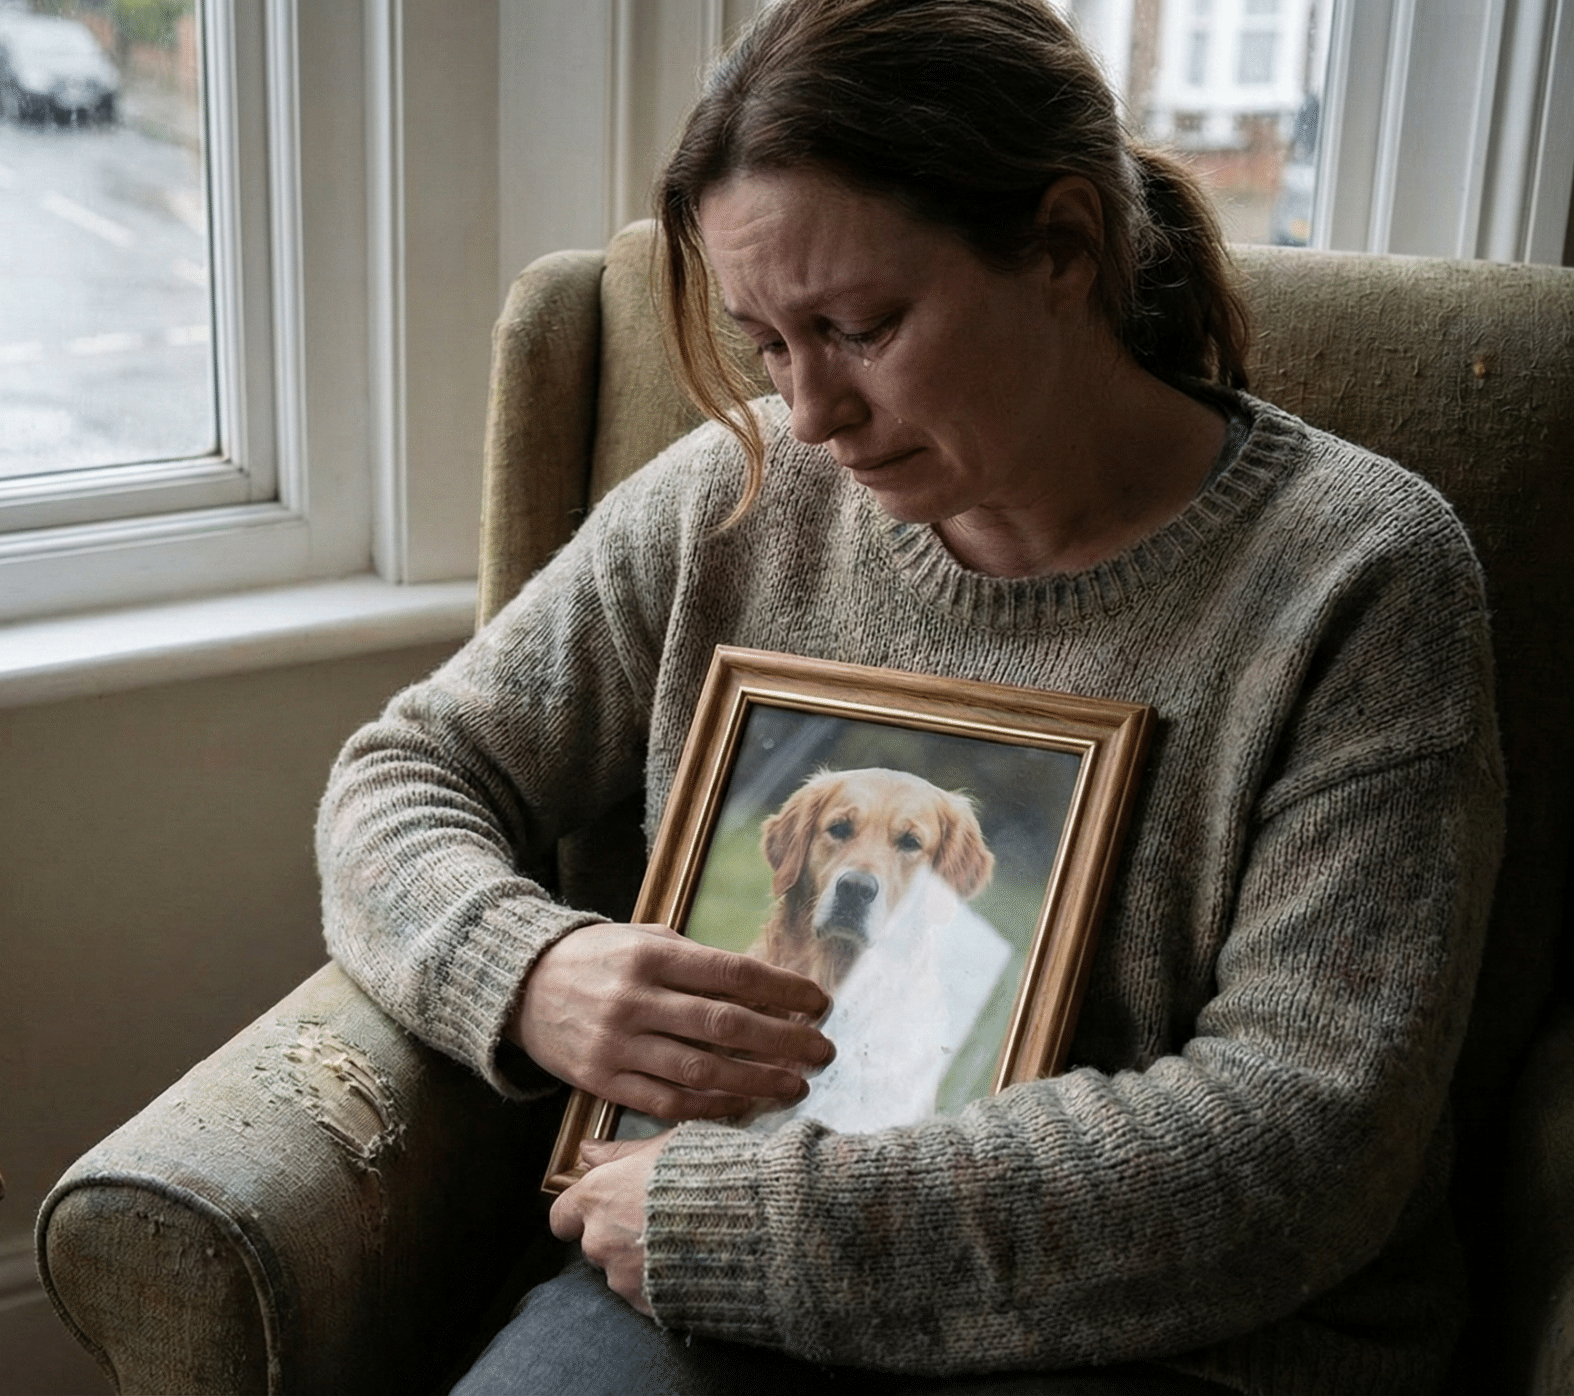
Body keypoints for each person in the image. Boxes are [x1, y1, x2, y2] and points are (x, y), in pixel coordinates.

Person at [317, 1, 1503, 1392]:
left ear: (1064, 247)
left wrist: (759, 1227)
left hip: (1181, 1339)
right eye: (768, 343)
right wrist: (526, 971)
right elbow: (403, 774)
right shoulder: (735, 502)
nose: (810, 414)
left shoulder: (1361, 579)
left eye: (861, 327)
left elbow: (1307, 1134)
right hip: (688, 1285)